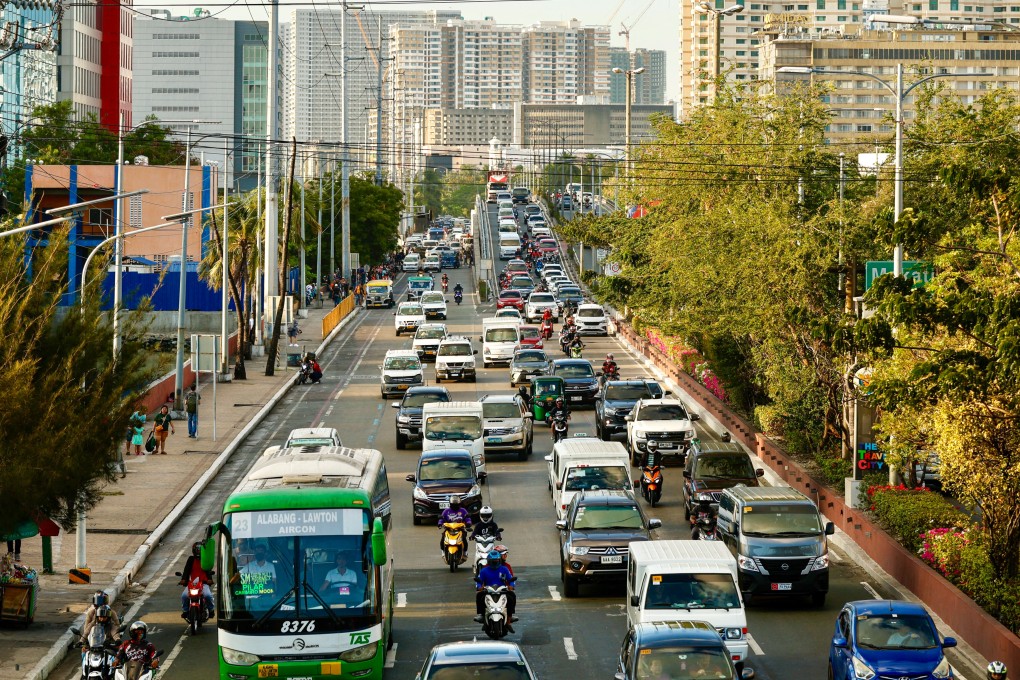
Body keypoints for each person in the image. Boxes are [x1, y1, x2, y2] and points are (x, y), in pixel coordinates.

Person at [474, 549, 516, 625]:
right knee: (479, 596)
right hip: (488, 591)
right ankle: (482, 615)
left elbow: (511, 579)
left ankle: (510, 617)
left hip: (502, 590)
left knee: (512, 596)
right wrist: (479, 587)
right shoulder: (484, 570)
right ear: (489, 561)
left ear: (499, 560)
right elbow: (479, 581)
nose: (495, 562)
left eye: (496, 561)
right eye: (493, 561)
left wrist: (511, 586)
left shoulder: (504, 569)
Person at [178, 541, 215, 619]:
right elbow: (186, 570)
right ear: (194, 551)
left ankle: (211, 610)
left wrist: (209, 579)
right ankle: (185, 611)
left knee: (208, 595)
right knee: (184, 596)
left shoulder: (205, 559)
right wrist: (184, 579)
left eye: (199, 550)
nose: (198, 552)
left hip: (203, 584)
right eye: (197, 550)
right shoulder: (191, 559)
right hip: (192, 584)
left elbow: (208, 570)